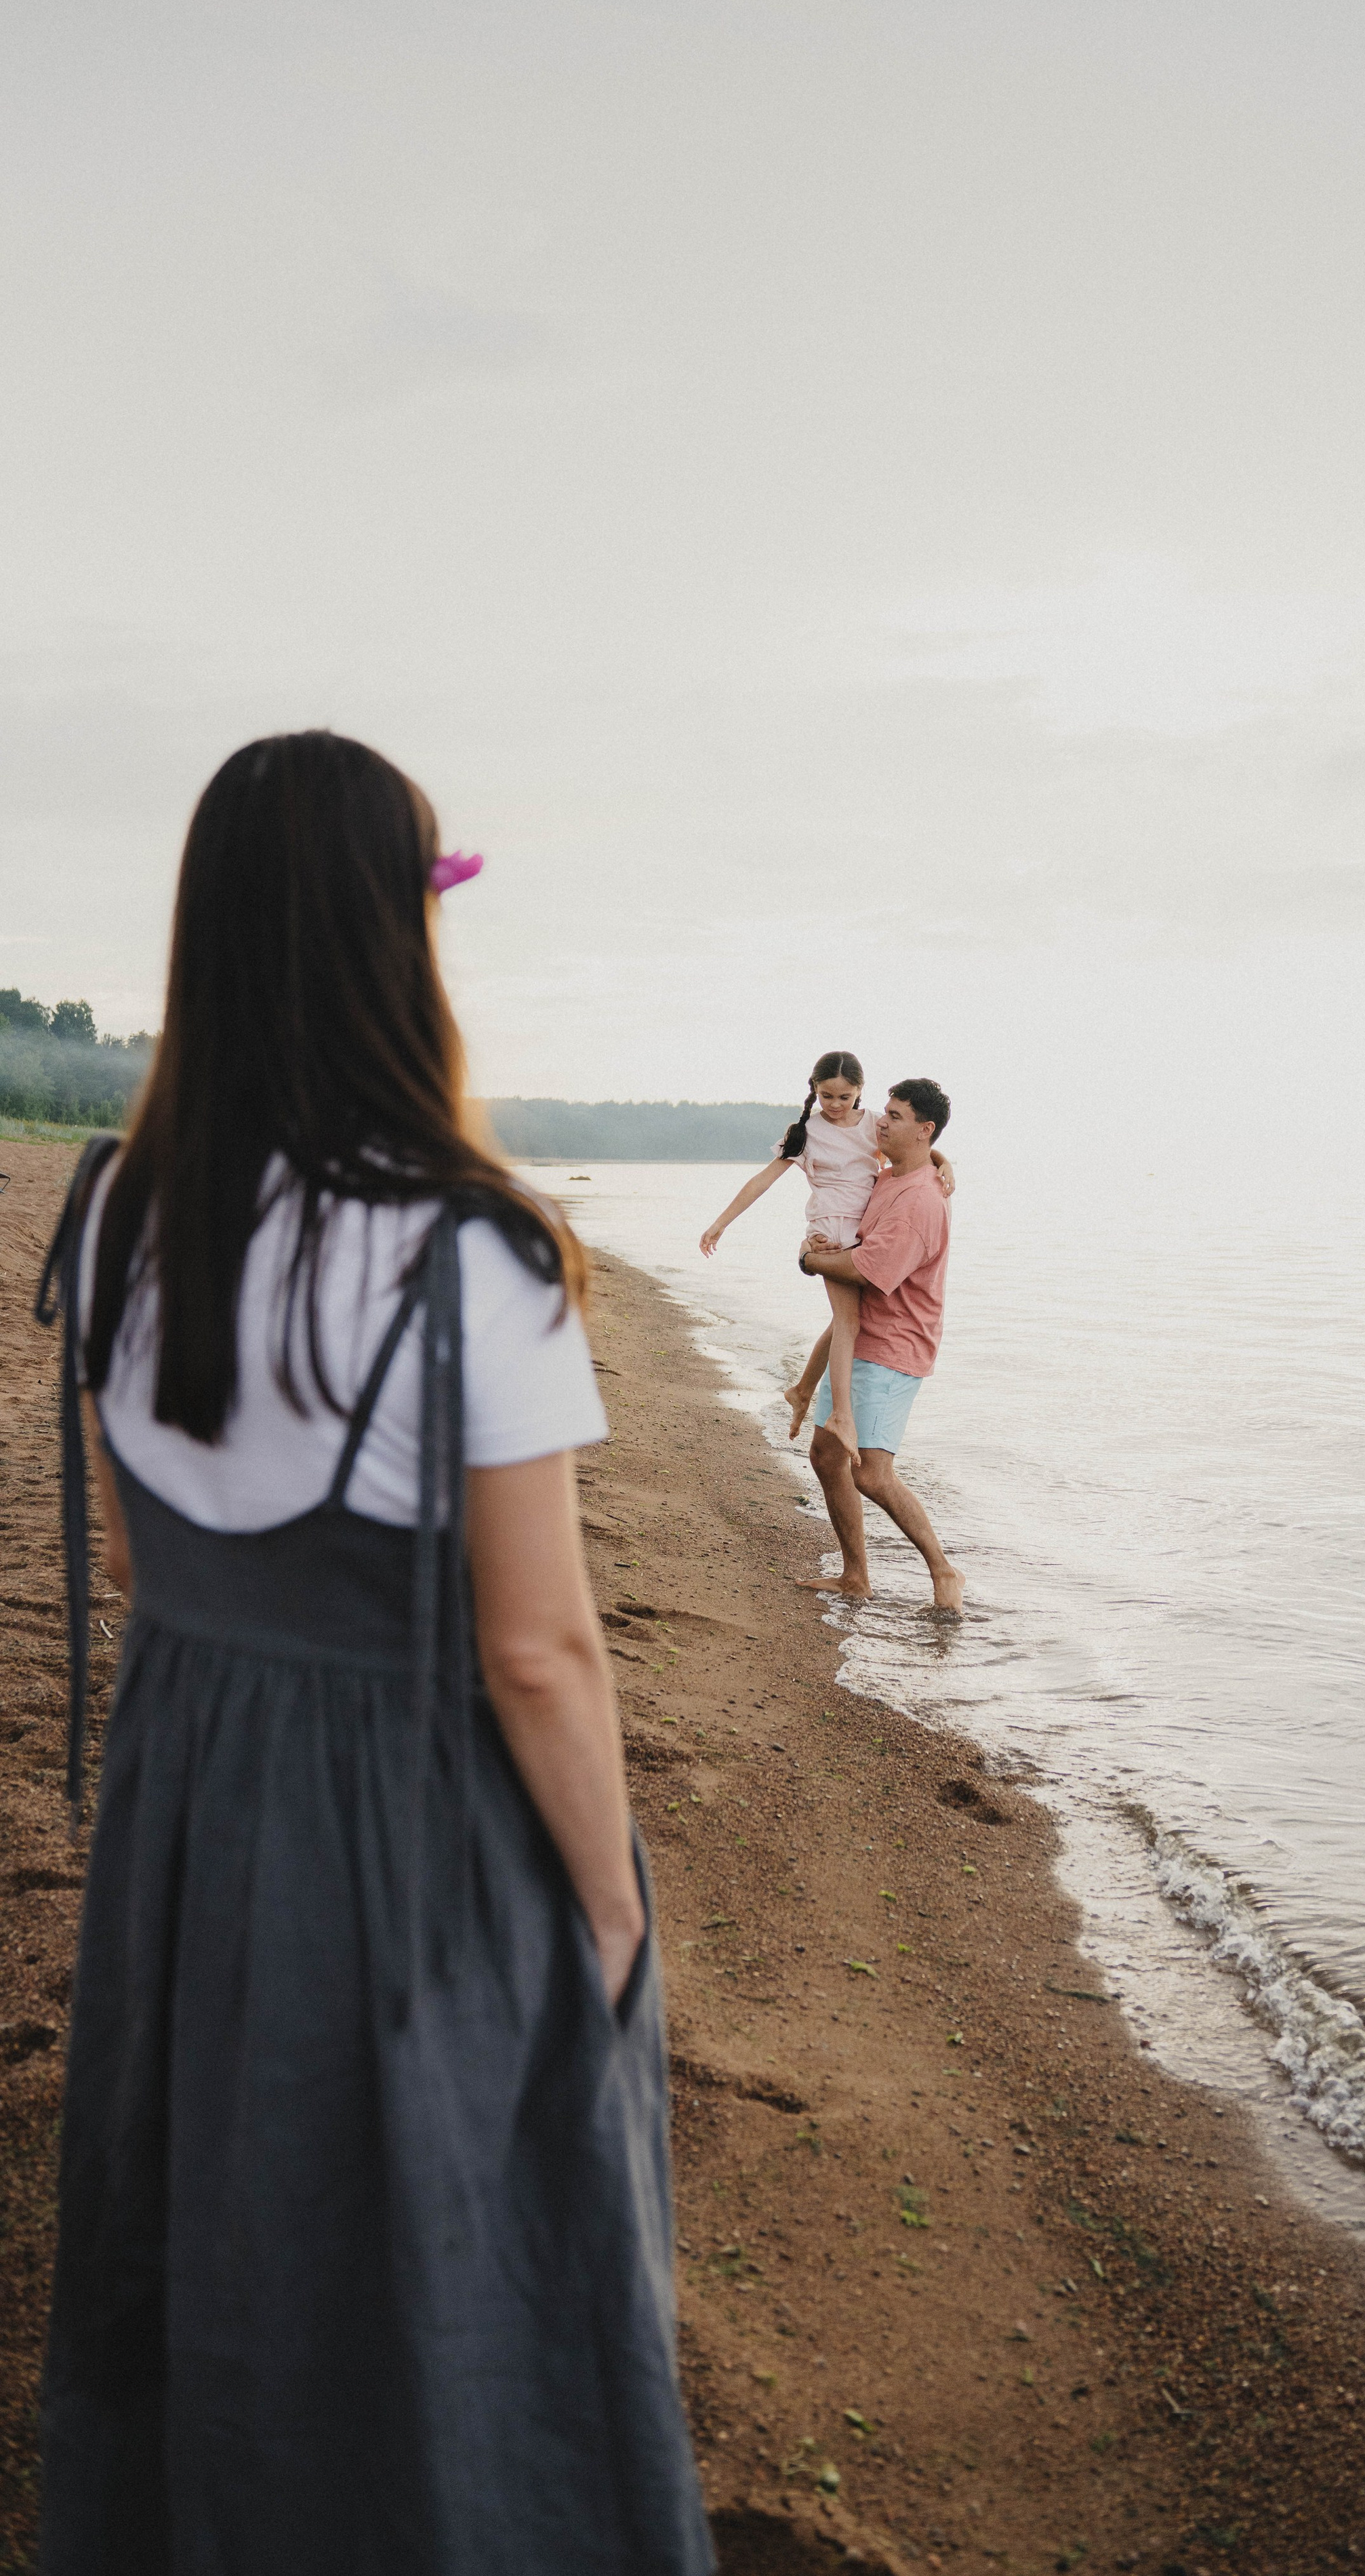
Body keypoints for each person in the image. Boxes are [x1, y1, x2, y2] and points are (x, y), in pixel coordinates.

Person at [33, 733, 712, 2576]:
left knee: (213, 2226)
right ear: (397, 938)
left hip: (188, 1799)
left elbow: (127, 1547)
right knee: (455, 2238)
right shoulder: (465, 1252)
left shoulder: (109, 1210)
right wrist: (613, 1901)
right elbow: (540, 1647)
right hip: (405, 1811)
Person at [697, 1051, 952, 1462]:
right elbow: (763, 1180)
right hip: (832, 1232)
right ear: (814, 1090)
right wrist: (721, 1223)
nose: (835, 1105)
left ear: (859, 1094)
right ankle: (843, 1418)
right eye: (826, 1095)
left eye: (845, 1097)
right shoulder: (806, 1131)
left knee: (843, 1321)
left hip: (865, 1226)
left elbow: (916, 1148)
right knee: (850, 1323)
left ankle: (801, 1391)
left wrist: (946, 1164)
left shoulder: (873, 1124)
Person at [794, 1077, 964, 1613]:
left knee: (871, 1472)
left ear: (923, 1129)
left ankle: (944, 1570)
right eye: (884, 1112)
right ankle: (855, 1576)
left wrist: (809, 1259)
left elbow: (869, 1271)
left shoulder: (920, 1202)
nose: (881, 1121)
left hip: (894, 1347)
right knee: (826, 1455)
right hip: (862, 1338)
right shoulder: (890, 1176)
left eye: (894, 1115)